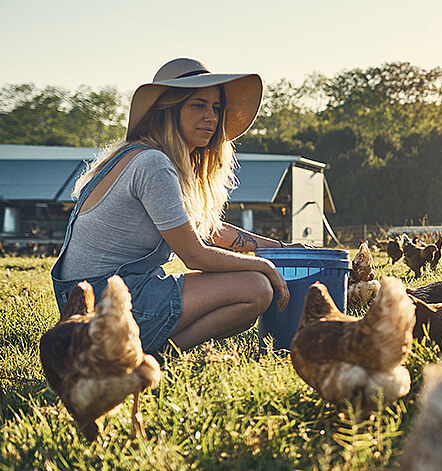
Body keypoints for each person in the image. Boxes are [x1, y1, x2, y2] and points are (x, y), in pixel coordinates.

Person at [50, 57, 306, 354]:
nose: (211, 117)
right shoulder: (152, 163)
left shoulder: (142, 155)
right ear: (168, 111)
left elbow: (205, 230)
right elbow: (194, 254)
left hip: (89, 300)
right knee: (256, 288)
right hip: (105, 301)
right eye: (198, 105)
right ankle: (155, 355)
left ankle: (148, 350)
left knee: (253, 284)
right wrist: (266, 265)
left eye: (216, 108)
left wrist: (278, 247)